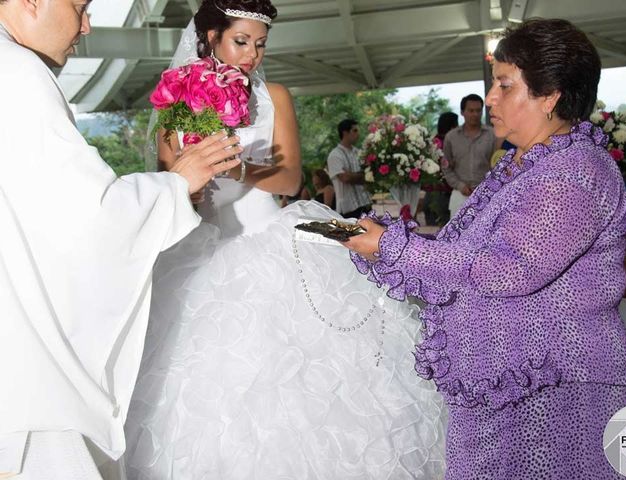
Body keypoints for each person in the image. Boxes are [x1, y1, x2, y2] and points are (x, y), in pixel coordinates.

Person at [123, 1, 446, 479]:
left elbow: (291, 178)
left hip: (273, 239)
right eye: (241, 41)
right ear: (211, 37)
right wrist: (188, 178)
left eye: (260, 44)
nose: (252, 54)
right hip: (202, 251)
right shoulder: (179, 101)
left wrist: (238, 167)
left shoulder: (274, 94)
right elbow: (170, 185)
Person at [345, 18, 626, 480]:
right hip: (509, 379)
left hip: (558, 385)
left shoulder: (575, 170)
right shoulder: (522, 162)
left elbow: (509, 268)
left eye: (504, 85)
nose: (491, 99)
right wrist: (389, 242)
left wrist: (399, 249)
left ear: (551, 95)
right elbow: (466, 251)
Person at [0, 1, 241, 478]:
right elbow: (89, 220)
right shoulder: (18, 73)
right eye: (81, 6)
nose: (87, 25)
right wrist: (177, 183)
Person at [442, 94, 495, 216]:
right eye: (471, 111)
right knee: (457, 234)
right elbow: (446, 167)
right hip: (459, 194)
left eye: (478, 110)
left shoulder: (492, 135)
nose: (475, 114)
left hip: (485, 195)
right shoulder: (451, 137)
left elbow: (497, 165)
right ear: (462, 112)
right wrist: (460, 186)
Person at [327, 119, 372, 218]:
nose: (358, 134)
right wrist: (361, 176)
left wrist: (352, 175)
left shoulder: (359, 152)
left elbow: (369, 176)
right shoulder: (335, 155)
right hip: (348, 210)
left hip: (366, 205)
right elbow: (345, 178)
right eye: (355, 131)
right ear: (345, 133)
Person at [422, 112, 458, 226]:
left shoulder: (432, 143)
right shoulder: (448, 144)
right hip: (443, 195)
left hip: (429, 195)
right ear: (452, 126)